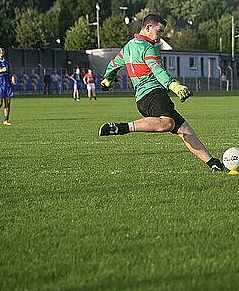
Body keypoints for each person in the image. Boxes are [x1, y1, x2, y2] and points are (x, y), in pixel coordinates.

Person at [97, 13, 227, 172]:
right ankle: (120, 128)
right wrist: (175, 86)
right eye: (159, 31)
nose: (159, 36)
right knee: (167, 123)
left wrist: (107, 80)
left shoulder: (128, 47)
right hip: (153, 95)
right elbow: (158, 70)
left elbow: (113, 64)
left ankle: (212, 163)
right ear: (148, 27)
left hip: (143, 99)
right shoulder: (149, 47)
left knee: (184, 130)